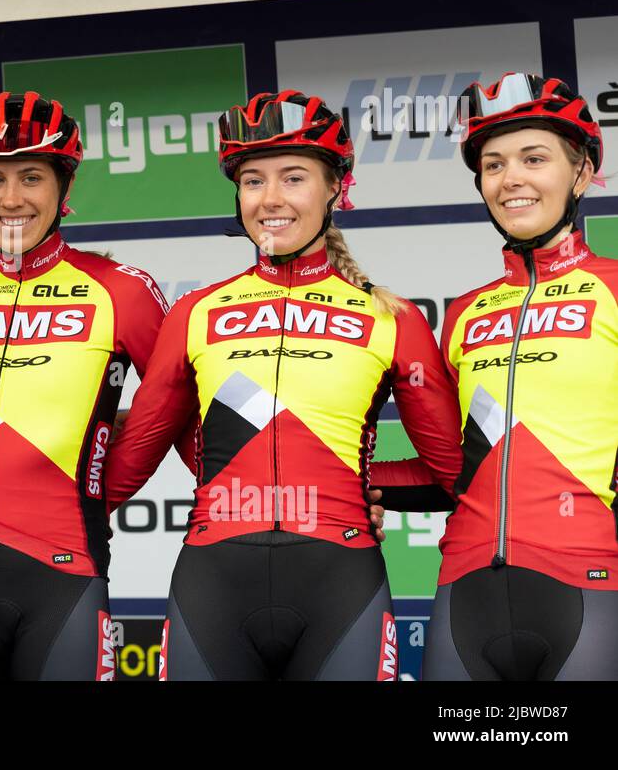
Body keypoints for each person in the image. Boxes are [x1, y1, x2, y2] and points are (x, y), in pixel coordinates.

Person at [103, 90, 464, 680]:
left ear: (335, 189)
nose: (270, 199)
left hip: (341, 581)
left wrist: (364, 488)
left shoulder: (394, 319)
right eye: (252, 181)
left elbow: (455, 474)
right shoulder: (195, 312)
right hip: (212, 582)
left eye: (293, 178)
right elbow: (132, 458)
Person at [0, 91, 171, 681]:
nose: (11, 198)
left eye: (31, 176)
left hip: (62, 565)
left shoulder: (121, 290)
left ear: (63, 187)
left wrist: (97, 489)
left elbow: (180, 413)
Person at [373, 73, 618, 680]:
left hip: (588, 582)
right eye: (493, 164)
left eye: (535, 159)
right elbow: (454, 472)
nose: (511, 179)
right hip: (465, 589)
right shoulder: (463, 312)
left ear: (581, 173)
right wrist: (348, 485)